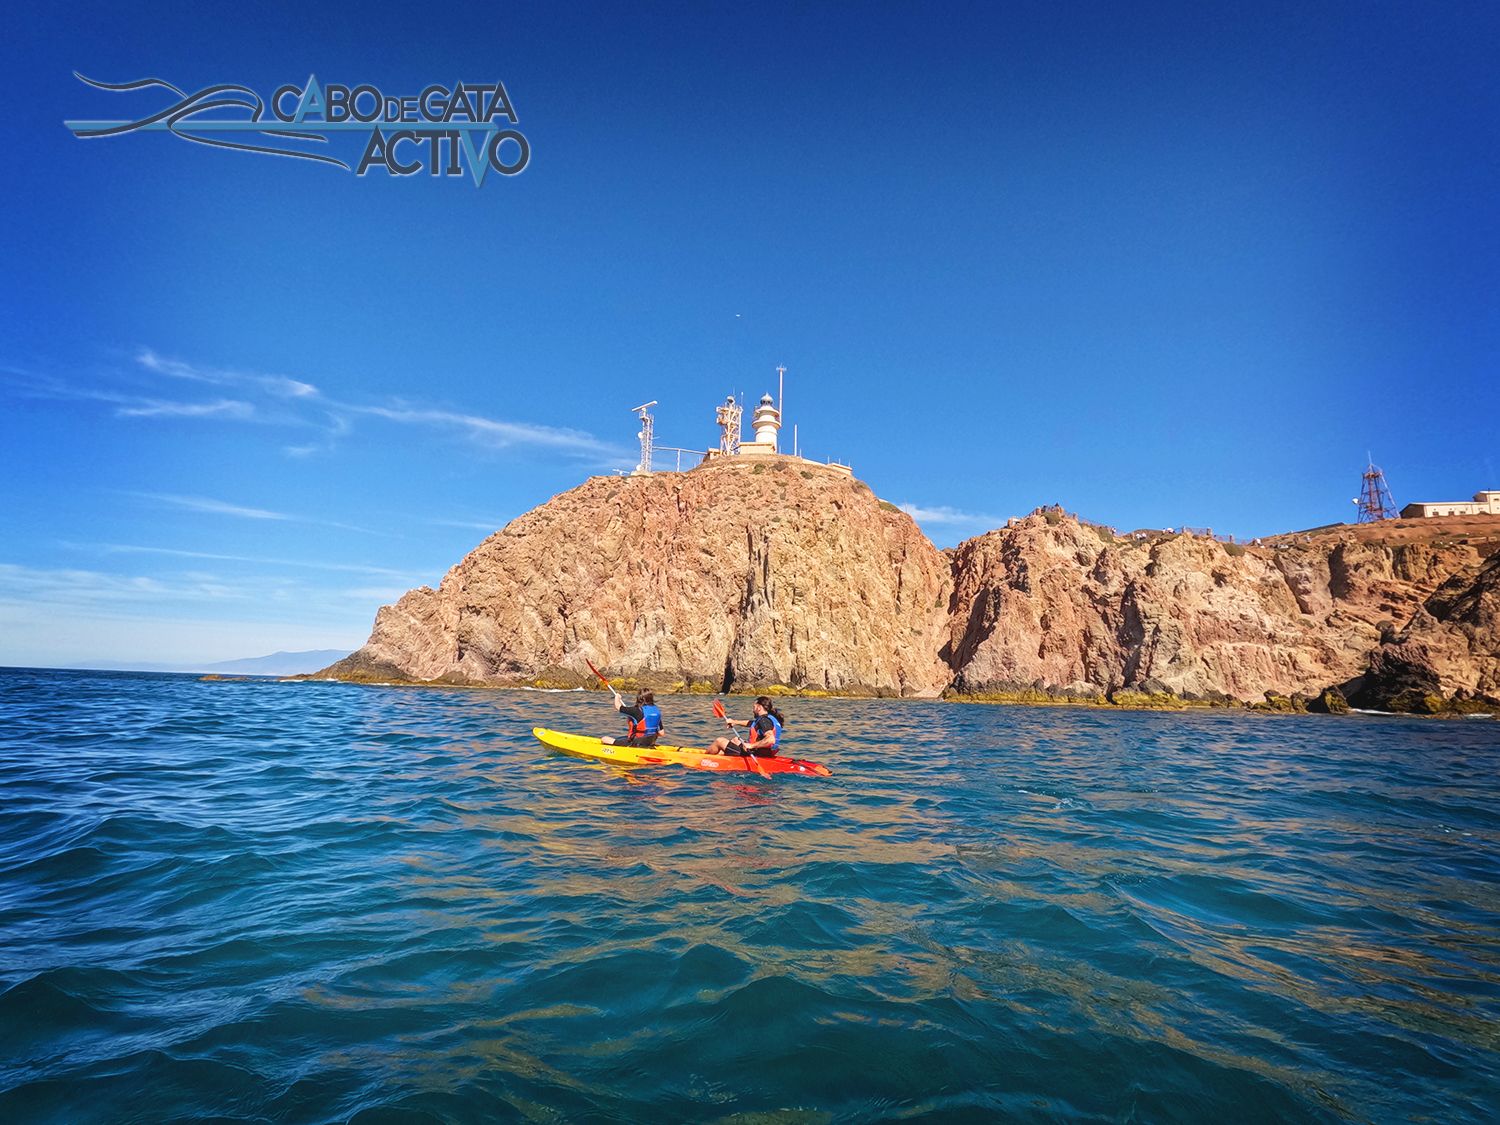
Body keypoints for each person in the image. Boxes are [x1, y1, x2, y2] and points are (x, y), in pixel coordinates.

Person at [709, 696, 785, 757]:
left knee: (719, 741)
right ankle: (720, 756)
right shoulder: (768, 719)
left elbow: (771, 740)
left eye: (754, 707)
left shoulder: (764, 721)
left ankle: (706, 758)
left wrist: (751, 746)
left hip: (755, 754)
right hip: (766, 753)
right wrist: (734, 722)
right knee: (735, 740)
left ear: (759, 708)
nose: (753, 710)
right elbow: (752, 723)